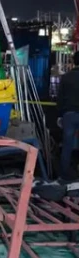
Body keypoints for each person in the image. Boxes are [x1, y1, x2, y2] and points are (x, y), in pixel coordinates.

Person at [57, 51, 79, 180]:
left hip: (69, 115)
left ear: (73, 62)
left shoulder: (66, 77)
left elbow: (60, 98)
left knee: (67, 146)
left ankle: (64, 175)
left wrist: (59, 115)